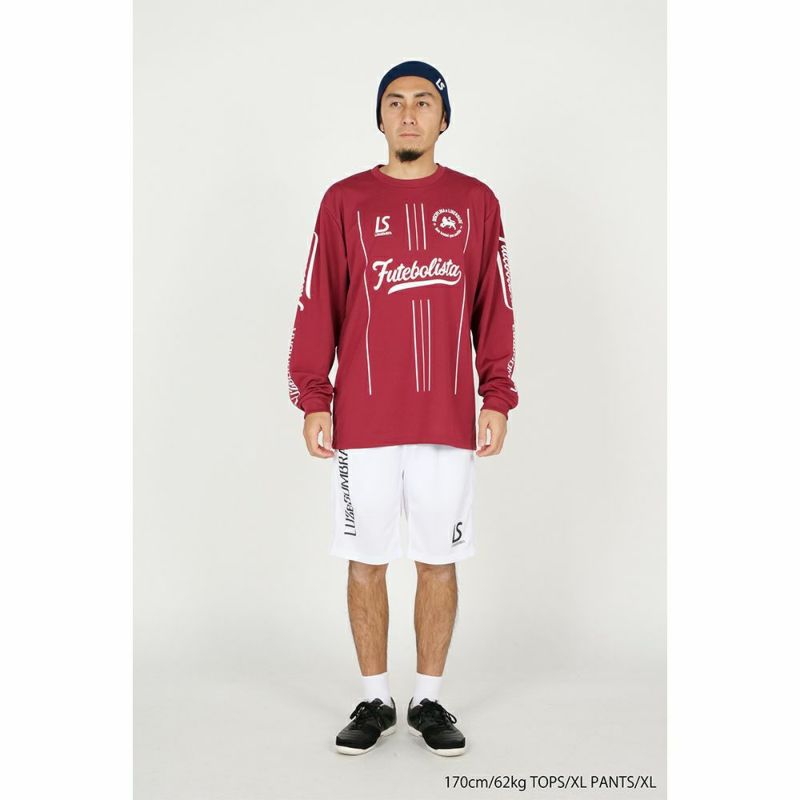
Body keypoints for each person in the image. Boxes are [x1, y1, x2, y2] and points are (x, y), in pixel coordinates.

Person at [286, 60, 518, 757]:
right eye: (395, 102)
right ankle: (374, 698)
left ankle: (430, 700)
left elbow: (495, 306)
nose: (409, 114)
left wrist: (497, 395)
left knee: (438, 561)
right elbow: (317, 303)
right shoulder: (345, 202)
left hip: (447, 421)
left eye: (423, 102)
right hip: (363, 422)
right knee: (366, 559)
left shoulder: (475, 202)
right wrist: (314, 397)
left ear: (444, 118)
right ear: (380, 117)